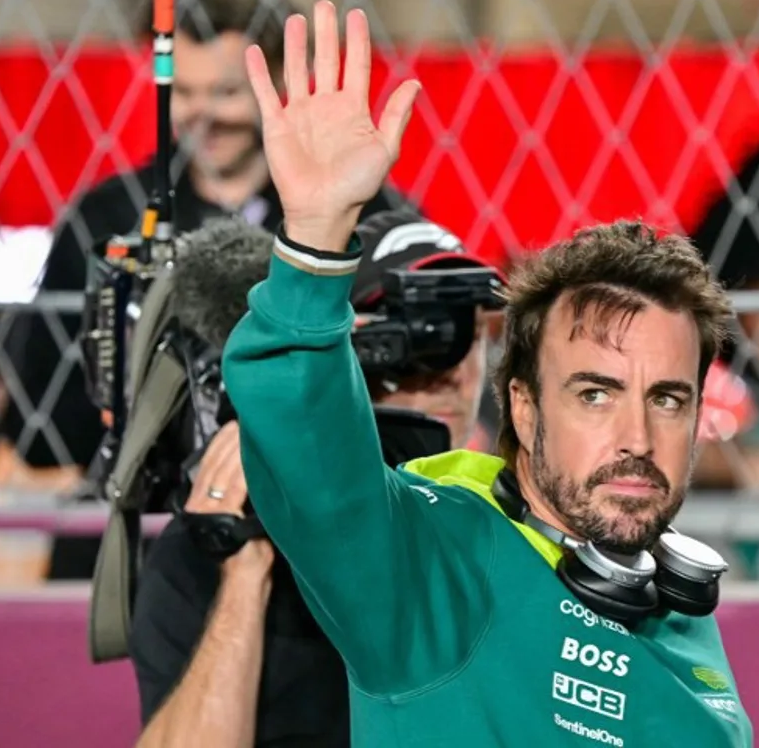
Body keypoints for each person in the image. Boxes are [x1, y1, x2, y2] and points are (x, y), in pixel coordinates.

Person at [221, 1, 753, 746]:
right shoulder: (433, 567)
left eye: (667, 398)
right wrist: (313, 240)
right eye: (595, 393)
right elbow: (311, 455)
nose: (637, 435)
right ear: (525, 411)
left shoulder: (673, 604)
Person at [0, 0, 406, 582]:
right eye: (187, 93)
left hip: (314, 539)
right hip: (138, 539)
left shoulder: (360, 210)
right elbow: (40, 427)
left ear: (278, 79)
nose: (204, 115)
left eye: (228, 92)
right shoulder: (106, 219)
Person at [128, 210, 498, 748]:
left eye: (461, 328)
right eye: (410, 332)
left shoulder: (502, 528)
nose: (444, 367)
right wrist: (245, 567)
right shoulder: (214, 545)